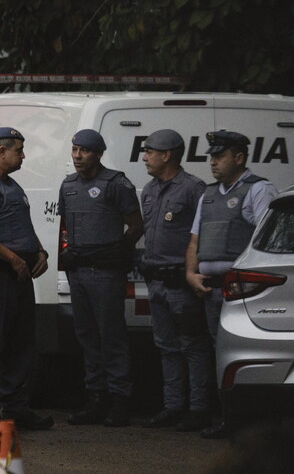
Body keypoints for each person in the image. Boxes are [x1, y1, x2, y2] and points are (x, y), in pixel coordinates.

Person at [185, 130, 278, 438]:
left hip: (240, 290)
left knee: (239, 355)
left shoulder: (258, 190)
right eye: (211, 156)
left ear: (239, 158)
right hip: (209, 287)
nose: (212, 162)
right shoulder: (209, 193)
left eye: (220, 156)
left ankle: (246, 424)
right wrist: (190, 273)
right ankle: (226, 420)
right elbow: (195, 241)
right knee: (217, 352)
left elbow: (268, 241)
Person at [0, 127, 54, 436]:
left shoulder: (11, 186)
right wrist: (13, 259)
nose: (23, 155)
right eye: (18, 149)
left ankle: (16, 408)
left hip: (20, 275)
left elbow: (19, 226)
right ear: (1, 152)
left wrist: (38, 250)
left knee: (20, 344)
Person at [59, 129, 143, 427]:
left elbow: (135, 225)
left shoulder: (115, 184)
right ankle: (96, 398)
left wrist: (117, 250)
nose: (77, 156)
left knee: (111, 336)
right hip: (79, 272)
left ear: (98, 154)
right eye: (74, 150)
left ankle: (121, 399)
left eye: (84, 151)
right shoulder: (68, 185)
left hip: (105, 273)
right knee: (87, 336)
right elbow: (65, 227)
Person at [138, 129, 213, 432]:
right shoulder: (149, 189)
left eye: (150, 151)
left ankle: (199, 409)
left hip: (181, 284)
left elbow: (202, 236)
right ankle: (172, 406)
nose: (145, 157)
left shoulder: (193, 189)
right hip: (156, 281)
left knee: (192, 346)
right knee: (166, 346)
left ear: (167, 155)